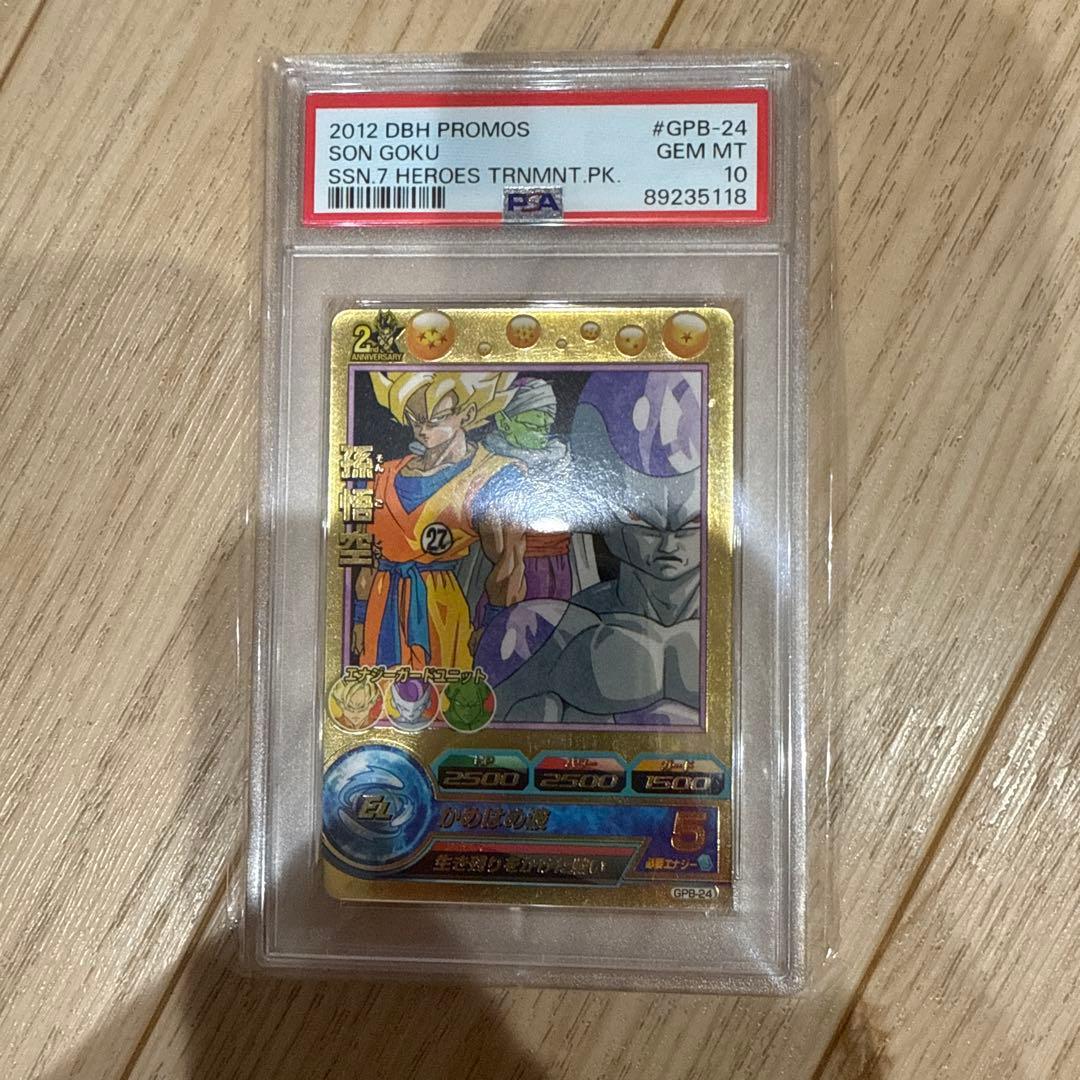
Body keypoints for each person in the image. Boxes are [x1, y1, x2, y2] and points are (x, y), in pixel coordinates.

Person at [475, 369, 704, 725]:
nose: (668, 540)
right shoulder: (545, 632)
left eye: (691, 520)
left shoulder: (745, 626)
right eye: (642, 518)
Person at [353, 370, 526, 670]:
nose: (422, 430)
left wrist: (495, 625)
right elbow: (365, 556)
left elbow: (508, 562)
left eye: (435, 420)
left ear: (467, 414)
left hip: (439, 612)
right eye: (414, 419)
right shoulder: (381, 476)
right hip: (380, 611)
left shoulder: (490, 475)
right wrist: (358, 615)